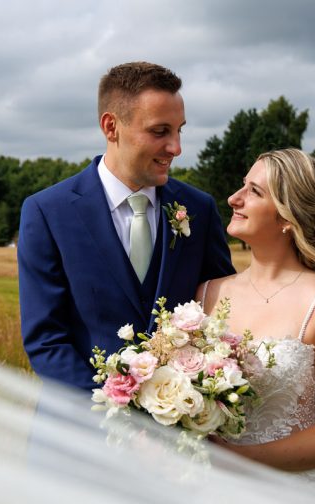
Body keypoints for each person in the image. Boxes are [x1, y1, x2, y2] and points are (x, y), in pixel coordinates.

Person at [18, 61, 235, 390]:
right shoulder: (47, 212)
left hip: (181, 431)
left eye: (179, 130)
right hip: (78, 429)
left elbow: (220, 315)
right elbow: (46, 343)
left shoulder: (199, 210)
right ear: (111, 127)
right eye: (160, 131)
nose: (176, 147)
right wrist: (118, 415)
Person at [197, 148, 315, 496]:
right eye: (241, 186)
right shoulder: (206, 294)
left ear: (287, 218)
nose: (233, 198)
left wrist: (240, 460)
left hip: (295, 500)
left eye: (254, 192)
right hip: (212, 496)